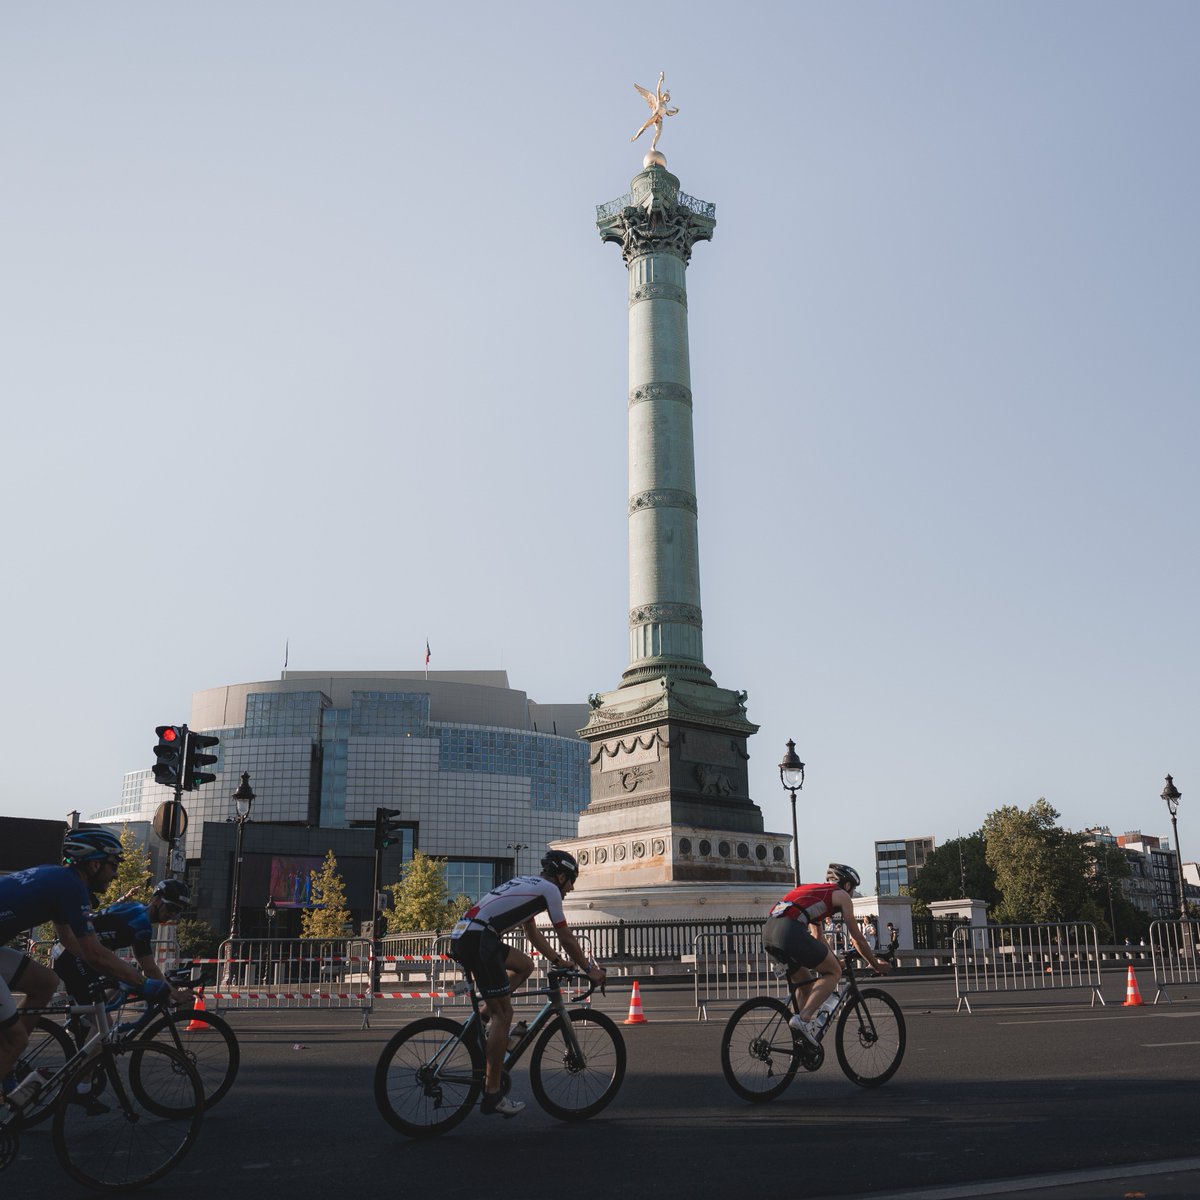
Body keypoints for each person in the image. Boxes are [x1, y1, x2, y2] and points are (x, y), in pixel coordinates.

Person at [0, 831, 179, 1097]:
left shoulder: (61, 879)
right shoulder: (70, 886)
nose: (116, 875)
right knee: (16, 1037)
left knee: (45, 982)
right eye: (114, 865)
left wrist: (118, 974)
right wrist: (142, 982)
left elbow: (71, 942)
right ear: (94, 864)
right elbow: (94, 953)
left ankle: (8, 1064)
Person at [449, 849, 605, 1119]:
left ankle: (483, 1018)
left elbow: (531, 933)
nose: (573, 887)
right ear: (560, 875)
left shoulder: (527, 883)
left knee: (525, 966)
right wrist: (589, 968)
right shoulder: (550, 890)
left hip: (468, 933)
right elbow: (565, 935)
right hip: (479, 940)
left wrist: (557, 960)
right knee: (505, 1015)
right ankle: (493, 1093)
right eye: (572, 880)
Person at [761, 863, 891, 1048]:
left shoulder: (814, 893)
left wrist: (835, 961)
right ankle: (804, 1019)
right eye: (853, 889)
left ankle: (797, 1037)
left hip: (768, 932)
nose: (852, 894)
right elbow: (858, 939)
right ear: (847, 885)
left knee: (805, 987)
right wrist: (876, 965)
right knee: (833, 973)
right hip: (789, 931)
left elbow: (818, 938)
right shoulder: (842, 896)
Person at [51, 878, 192, 1007]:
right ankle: (91, 1022)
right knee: (104, 1023)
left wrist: (166, 988)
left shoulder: (136, 908)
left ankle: (82, 1024)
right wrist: (174, 993)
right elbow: (149, 969)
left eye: (178, 911)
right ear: (156, 900)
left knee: (123, 980)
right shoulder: (142, 924)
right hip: (74, 956)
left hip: (72, 953)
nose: (173, 915)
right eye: (172, 908)